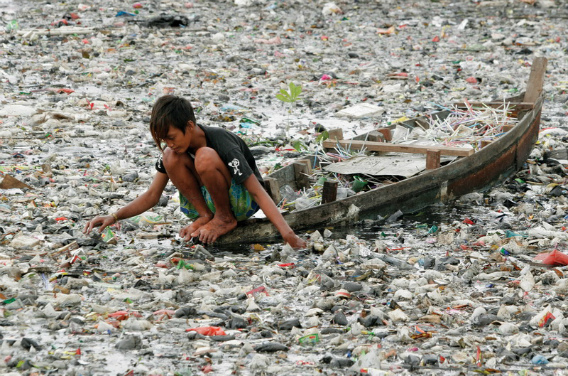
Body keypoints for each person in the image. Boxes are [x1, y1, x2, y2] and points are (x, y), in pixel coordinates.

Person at [84, 95, 306, 249]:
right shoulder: (174, 150)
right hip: (208, 204)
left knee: (204, 156)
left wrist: (288, 234)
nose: (169, 143)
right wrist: (113, 217)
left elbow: (257, 191)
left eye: (172, 137)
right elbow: (152, 195)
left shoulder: (221, 142)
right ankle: (206, 216)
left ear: (189, 126)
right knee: (169, 157)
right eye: (164, 139)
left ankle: (224, 218)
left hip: (241, 203)